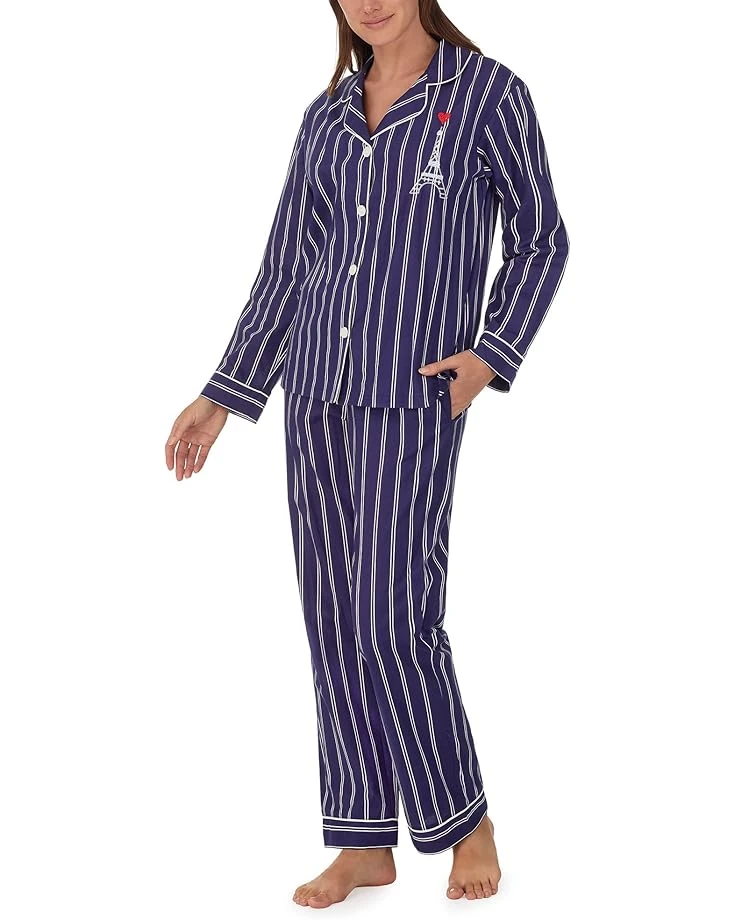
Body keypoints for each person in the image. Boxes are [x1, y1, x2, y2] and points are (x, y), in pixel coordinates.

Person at [165, 0, 569, 908]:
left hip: (414, 396)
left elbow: (543, 237)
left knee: (394, 620)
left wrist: (491, 354)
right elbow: (286, 268)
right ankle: (361, 838)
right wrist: (222, 395)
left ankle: (464, 821)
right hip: (314, 393)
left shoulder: (487, 94)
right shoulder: (326, 117)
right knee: (336, 622)